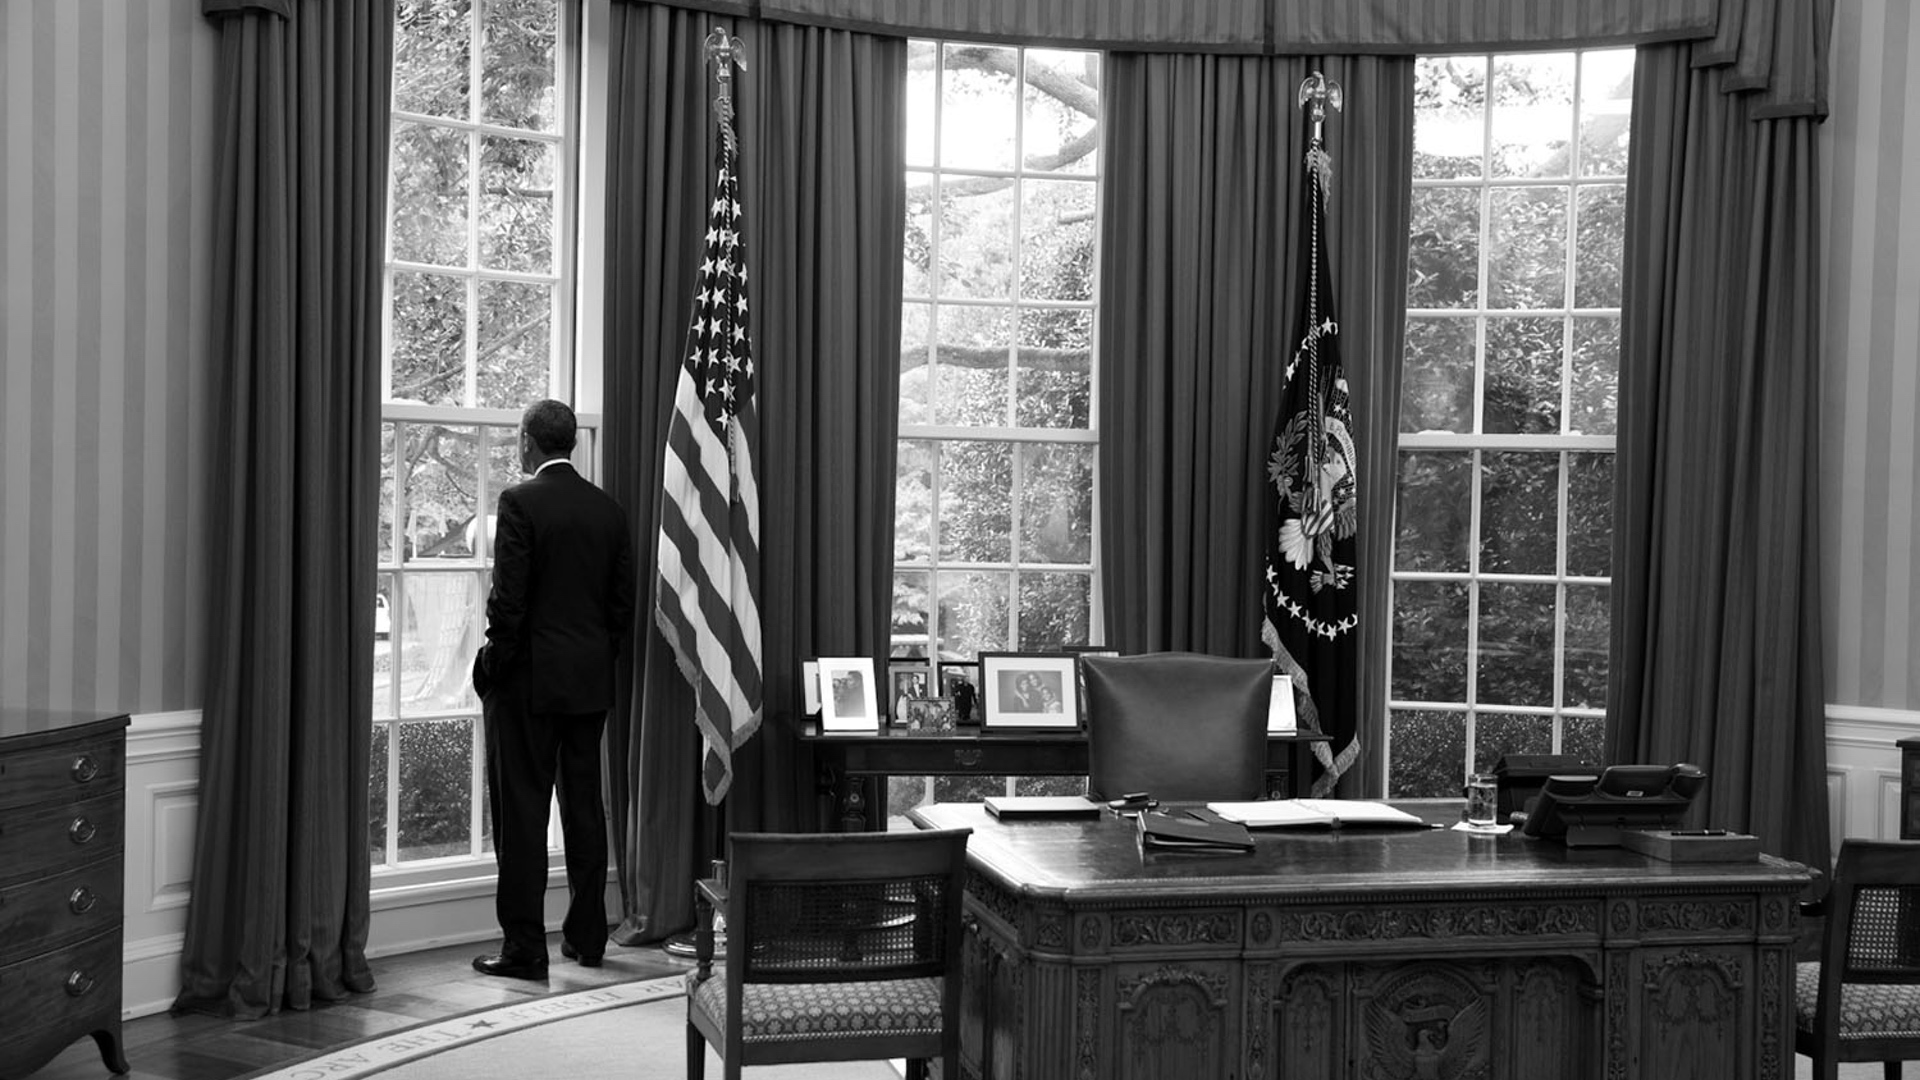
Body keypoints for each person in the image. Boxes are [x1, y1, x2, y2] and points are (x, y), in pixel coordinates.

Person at [469, 400, 635, 980]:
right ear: (570, 444)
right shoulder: (609, 512)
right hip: (589, 686)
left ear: (526, 444)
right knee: (586, 813)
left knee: (523, 817)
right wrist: (593, 662)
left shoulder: (519, 502)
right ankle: (589, 939)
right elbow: (621, 612)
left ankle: (524, 949)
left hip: (527, 688)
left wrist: (490, 666)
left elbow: (507, 605)